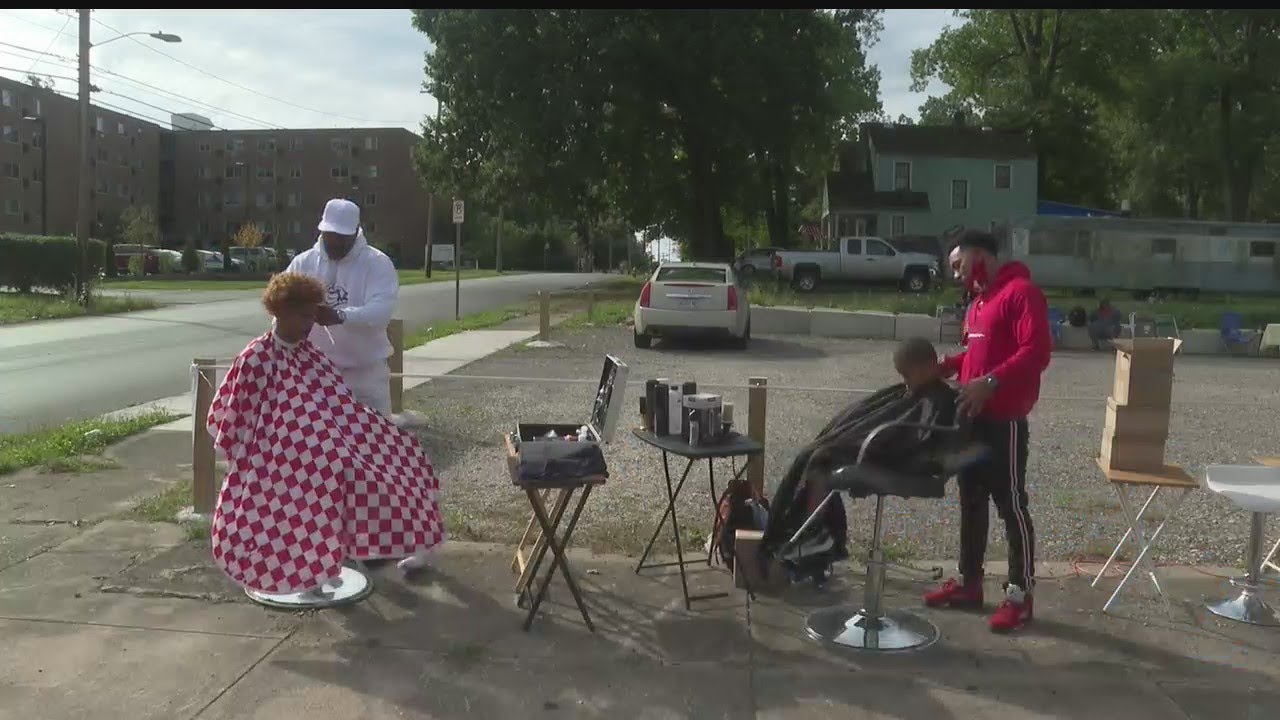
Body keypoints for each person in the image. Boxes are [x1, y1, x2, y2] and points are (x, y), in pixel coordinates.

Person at [207, 272, 445, 595]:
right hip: (273, 460)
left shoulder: (312, 356)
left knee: (399, 458)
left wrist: (363, 435)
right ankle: (307, 573)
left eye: (312, 316)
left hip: (325, 451)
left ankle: (392, 544)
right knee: (322, 485)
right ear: (280, 311)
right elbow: (232, 417)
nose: (310, 324)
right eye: (304, 316)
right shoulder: (255, 359)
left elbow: (341, 405)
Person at [924, 228, 1052, 633]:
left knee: (1011, 505)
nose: (957, 275)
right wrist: (949, 365)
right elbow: (977, 355)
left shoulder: (1021, 293)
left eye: (960, 265)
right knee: (971, 501)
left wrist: (991, 383)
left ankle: (1019, 594)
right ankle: (969, 583)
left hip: (1004, 422)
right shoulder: (978, 304)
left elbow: (1036, 351)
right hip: (972, 420)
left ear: (981, 255)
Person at [760, 338, 965, 574]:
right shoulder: (918, 392)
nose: (905, 383)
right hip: (883, 449)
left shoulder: (939, 400)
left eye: (908, 375)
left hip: (905, 463)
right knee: (815, 454)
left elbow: (915, 441)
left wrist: (866, 445)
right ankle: (811, 535)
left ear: (929, 367)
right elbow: (876, 418)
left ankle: (816, 536)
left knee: (821, 457)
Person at [285, 198, 399, 416]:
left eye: (342, 238)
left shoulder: (376, 263)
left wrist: (341, 316)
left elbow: (382, 310)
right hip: (313, 375)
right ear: (322, 230)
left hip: (365, 374)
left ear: (356, 233)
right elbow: (281, 304)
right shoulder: (303, 263)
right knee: (319, 445)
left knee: (374, 443)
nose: (335, 243)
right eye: (331, 236)